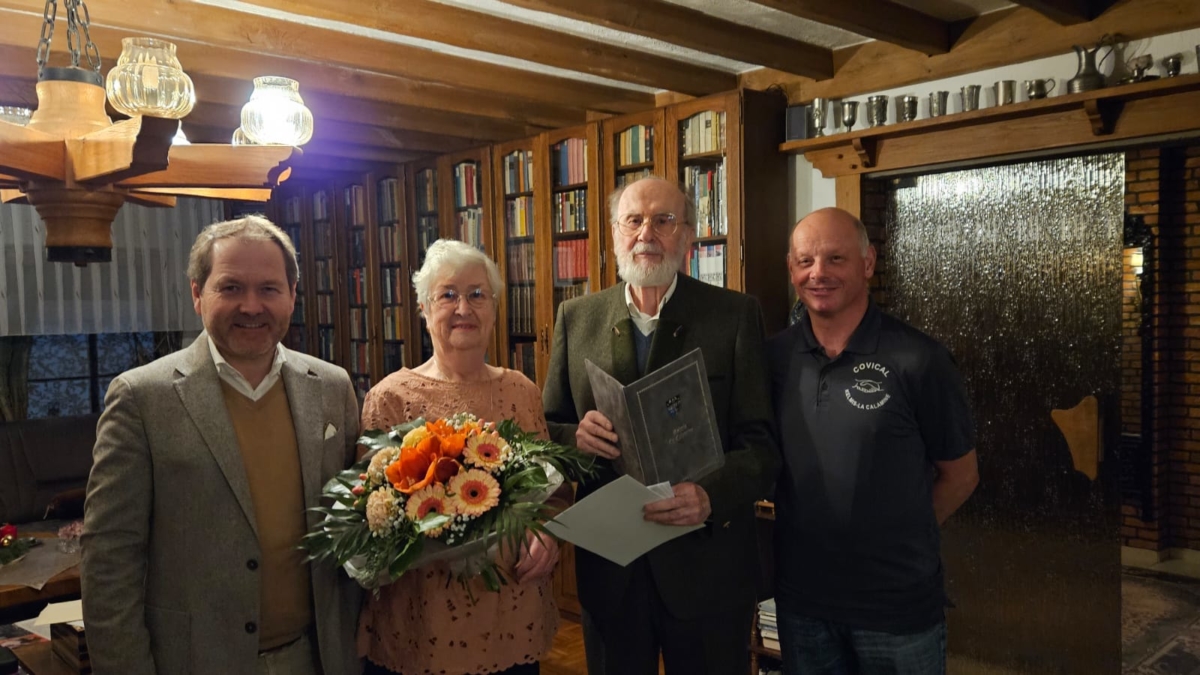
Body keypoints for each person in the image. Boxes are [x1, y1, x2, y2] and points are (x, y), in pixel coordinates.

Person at [81, 215, 362, 675]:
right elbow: (110, 558)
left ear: (292, 295)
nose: (251, 306)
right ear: (197, 294)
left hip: (316, 657)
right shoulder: (141, 397)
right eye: (230, 287)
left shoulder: (332, 387)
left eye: (269, 289)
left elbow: (352, 523)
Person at [541, 176, 779, 674]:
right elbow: (549, 428)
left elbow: (761, 447)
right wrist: (575, 438)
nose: (646, 232)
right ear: (613, 235)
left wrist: (710, 495)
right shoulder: (576, 317)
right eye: (634, 220)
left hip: (708, 567)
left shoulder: (734, 316)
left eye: (663, 220)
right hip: (613, 569)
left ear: (688, 235)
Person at [767, 207, 979, 674]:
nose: (818, 273)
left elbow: (961, 475)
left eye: (835, 259)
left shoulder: (919, 359)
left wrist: (901, 535)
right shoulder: (774, 358)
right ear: (791, 269)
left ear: (868, 263)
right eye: (805, 262)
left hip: (896, 606)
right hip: (803, 603)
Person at [358, 238, 567, 675]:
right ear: (423, 308)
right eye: (447, 294)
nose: (463, 308)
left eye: (477, 295)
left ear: (494, 307)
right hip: (419, 621)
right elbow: (370, 513)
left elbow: (551, 493)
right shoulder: (390, 398)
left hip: (511, 609)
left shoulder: (521, 391)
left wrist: (550, 534)